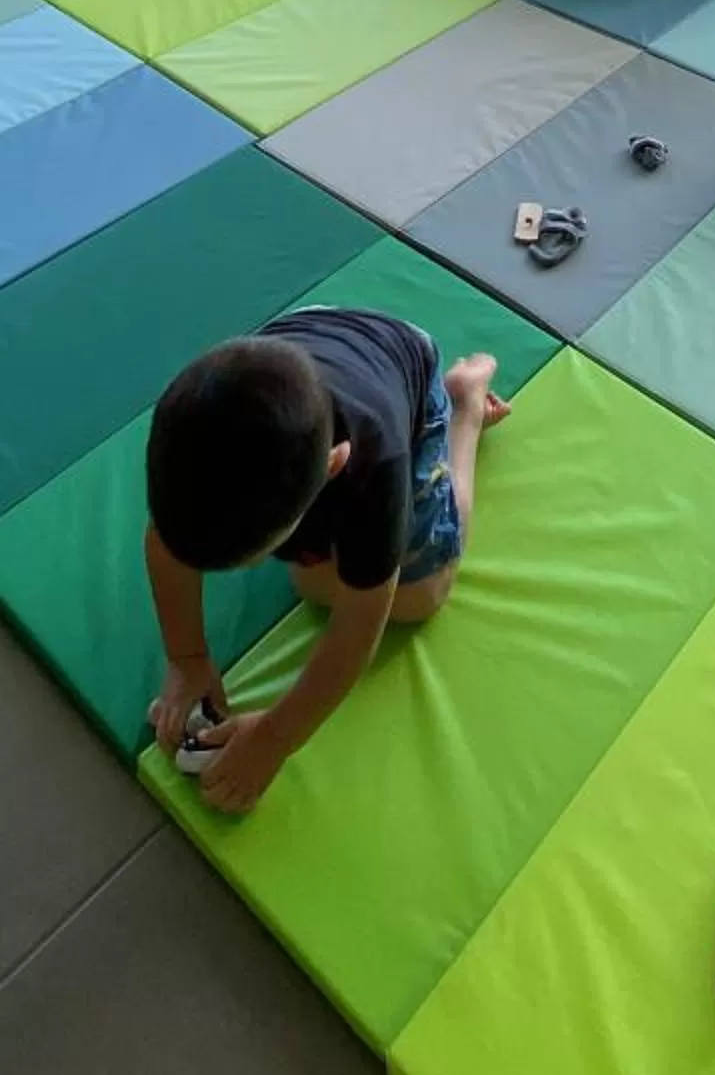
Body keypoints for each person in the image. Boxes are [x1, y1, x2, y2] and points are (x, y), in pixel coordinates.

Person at [144, 309, 506, 815]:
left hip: (406, 378)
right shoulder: (188, 435)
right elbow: (164, 544)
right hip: (304, 343)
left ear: (333, 466)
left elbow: (362, 623)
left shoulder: (375, 466)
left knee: (419, 597)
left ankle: (463, 407)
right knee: (315, 578)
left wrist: (276, 736)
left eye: (260, 554)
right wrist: (187, 660)